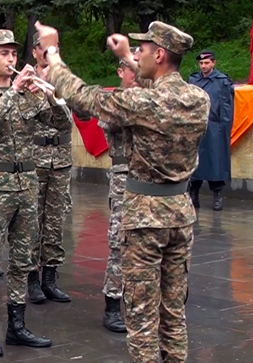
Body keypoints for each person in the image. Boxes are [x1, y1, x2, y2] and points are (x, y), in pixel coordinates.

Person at [36, 20, 209, 363]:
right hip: (180, 213)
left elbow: (82, 95)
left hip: (145, 217)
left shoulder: (139, 103)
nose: (139, 57)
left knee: (143, 315)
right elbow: (156, 88)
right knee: (174, 314)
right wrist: (125, 55)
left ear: (160, 56)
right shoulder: (197, 98)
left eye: (145, 51)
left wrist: (53, 53)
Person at [0, 30, 53, 357]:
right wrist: (14, 92)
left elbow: (59, 123)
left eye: (14, 54)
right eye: (3, 54)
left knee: (22, 260)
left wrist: (48, 90)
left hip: (26, 184)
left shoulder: (28, 92)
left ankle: (17, 326)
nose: (11, 60)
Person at [27, 32, 74, 305]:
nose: (47, 53)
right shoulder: (23, 80)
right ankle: (32, 278)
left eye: (53, 49)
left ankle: (50, 278)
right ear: (34, 51)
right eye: (43, 49)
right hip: (36, 158)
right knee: (32, 221)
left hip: (61, 159)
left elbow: (71, 119)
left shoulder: (65, 79)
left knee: (55, 221)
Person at [100, 57, 140, 334]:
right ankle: (113, 303)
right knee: (120, 241)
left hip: (149, 177)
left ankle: (140, 302)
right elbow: (112, 121)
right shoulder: (112, 101)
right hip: (124, 177)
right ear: (120, 72)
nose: (136, 74)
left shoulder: (154, 97)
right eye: (131, 69)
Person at [189, 50, 234, 211]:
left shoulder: (222, 81)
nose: (204, 66)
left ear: (214, 63)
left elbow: (227, 108)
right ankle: (194, 193)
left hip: (215, 126)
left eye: (207, 63)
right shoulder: (194, 80)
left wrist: (225, 128)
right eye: (201, 63)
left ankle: (217, 195)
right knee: (196, 162)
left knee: (216, 161)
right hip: (197, 127)